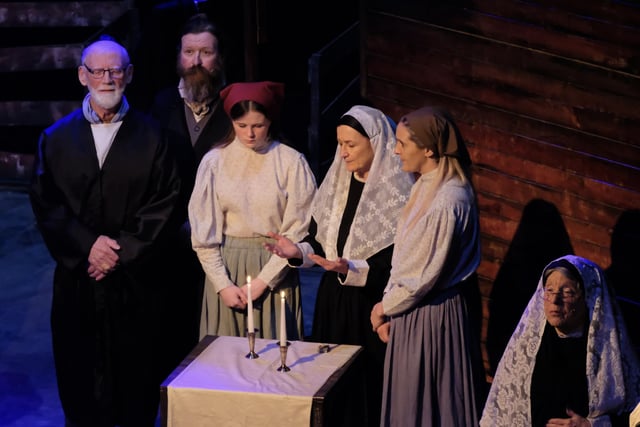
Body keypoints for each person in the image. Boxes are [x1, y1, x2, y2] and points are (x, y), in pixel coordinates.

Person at [29, 38, 181, 427]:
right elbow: (48, 206)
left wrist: (121, 251)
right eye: (98, 70)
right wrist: (87, 248)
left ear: (129, 75)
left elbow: (165, 203)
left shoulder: (153, 137)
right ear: (83, 76)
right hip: (79, 282)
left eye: (116, 70)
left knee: (136, 388)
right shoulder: (56, 138)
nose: (107, 78)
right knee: (81, 387)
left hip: (136, 283)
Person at [264, 105, 415, 426]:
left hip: (374, 307)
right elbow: (322, 246)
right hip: (333, 302)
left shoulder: (402, 196)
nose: (343, 153)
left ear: (377, 143)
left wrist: (352, 269)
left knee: (367, 391)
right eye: (340, 144)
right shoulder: (338, 186)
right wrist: (296, 251)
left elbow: (401, 263)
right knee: (332, 389)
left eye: (351, 145)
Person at [369, 106, 486, 426]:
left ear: (430, 148)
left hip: (433, 316)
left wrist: (383, 307)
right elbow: (405, 258)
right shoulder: (426, 185)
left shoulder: (448, 200)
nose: (395, 150)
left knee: (431, 405)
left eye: (403, 143)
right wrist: (391, 302)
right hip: (413, 310)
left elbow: (422, 275)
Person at [189, 80, 317, 340]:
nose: (250, 134)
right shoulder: (215, 162)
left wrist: (264, 281)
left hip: (274, 266)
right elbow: (204, 235)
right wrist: (223, 284)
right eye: (242, 126)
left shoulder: (290, 162)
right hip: (227, 267)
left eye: (257, 125)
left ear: (270, 121)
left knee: (274, 352)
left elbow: (297, 231)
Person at [149, 12, 233, 367]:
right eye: (189, 52)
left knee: (216, 339)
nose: (196, 61)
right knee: (170, 335)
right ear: (179, 56)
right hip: (170, 241)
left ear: (220, 57)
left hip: (221, 241)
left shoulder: (235, 106)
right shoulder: (161, 105)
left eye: (206, 52)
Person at [480, 255, 640, 427]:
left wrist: (592, 425)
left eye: (567, 292)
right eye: (549, 291)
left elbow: (633, 415)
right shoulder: (527, 351)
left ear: (588, 299)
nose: (555, 301)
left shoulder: (607, 354)